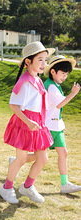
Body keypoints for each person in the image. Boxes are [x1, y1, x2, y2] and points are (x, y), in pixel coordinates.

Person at [0, 41, 55, 204]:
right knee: (22, 159)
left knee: (43, 158)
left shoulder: (36, 78)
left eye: (45, 60)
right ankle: (7, 187)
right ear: (28, 62)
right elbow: (13, 105)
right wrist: (28, 121)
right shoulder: (25, 82)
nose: (44, 64)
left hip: (37, 121)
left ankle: (27, 186)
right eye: (40, 60)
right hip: (25, 122)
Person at [43, 55, 81, 194]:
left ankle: (64, 184)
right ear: (53, 71)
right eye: (62, 73)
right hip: (47, 126)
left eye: (67, 74)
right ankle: (17, 160)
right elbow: (60, 104)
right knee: (39, 157)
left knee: (63, 152)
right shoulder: (51, 86)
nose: (65, 77)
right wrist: (73, 93)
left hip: (56, 125)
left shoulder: (55, 85)